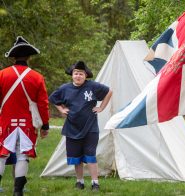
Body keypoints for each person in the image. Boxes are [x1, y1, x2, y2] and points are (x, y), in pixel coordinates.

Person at [49, 61, 112, 191]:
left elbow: (109, 92)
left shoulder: (93, 86)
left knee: (90, 156)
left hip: (90, 128)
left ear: (85, 75)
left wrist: (101, 107)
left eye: (81, 74)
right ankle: (80, 182)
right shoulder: (65, 88)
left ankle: (95, 183)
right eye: (76, 73)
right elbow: (53, 98)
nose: (78, 76)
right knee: (76, 158)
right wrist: (61, 109)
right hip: (72, 128)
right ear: (72, 75)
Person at [0, 36, 50, 196]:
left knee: (1, 155)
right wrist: (45, 125)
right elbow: (43, 104)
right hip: (27, 124)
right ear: (29, 57)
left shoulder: (2, 75)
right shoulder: (37, 77)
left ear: (13, 57)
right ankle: (17, 191)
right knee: (23, 156)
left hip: (5, 122)